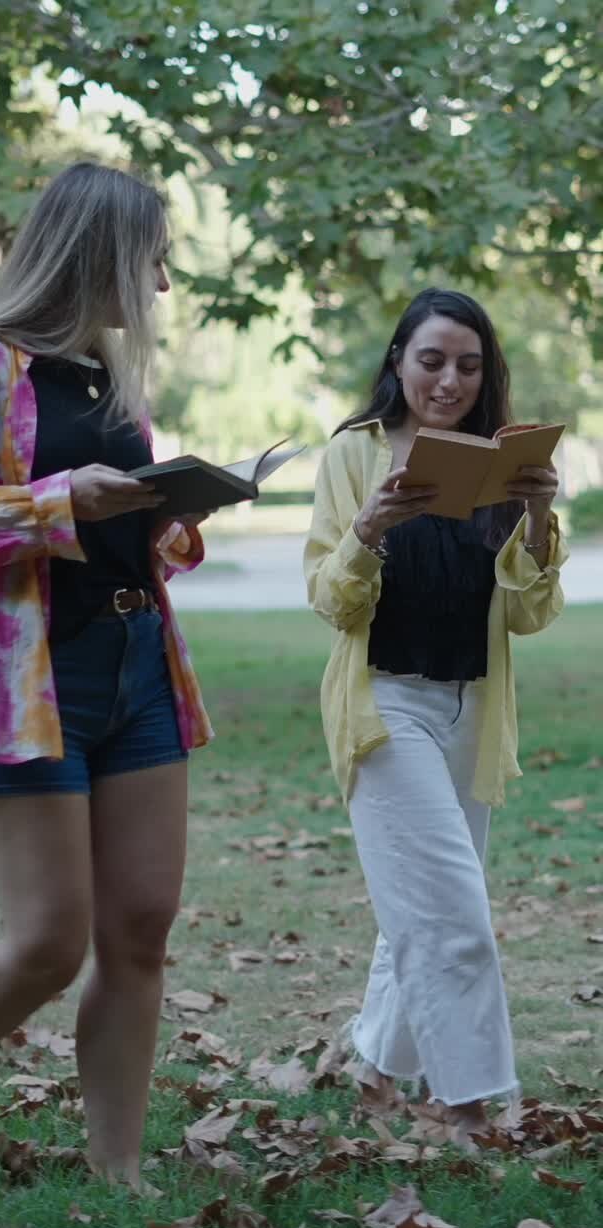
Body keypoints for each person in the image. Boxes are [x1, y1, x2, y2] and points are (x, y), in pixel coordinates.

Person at [0, 161, 214, 1191]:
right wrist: (57, 496)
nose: (160, 287)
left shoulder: (111, 380)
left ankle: (117, 1166)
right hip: (24, 685)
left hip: (137, 666)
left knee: (139, 930)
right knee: (48, 939)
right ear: (99, 254)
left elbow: (115, 532)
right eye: (152, 261)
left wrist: (171, 518)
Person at [304, 287, 567, 1140]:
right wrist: (370, 527)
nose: (448, 380)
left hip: (472, 711)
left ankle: (377, 1071)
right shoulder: (353, 455)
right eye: (430, 360)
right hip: (383, 704)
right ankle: (467, 1104)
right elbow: (329, 600)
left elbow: (529, 615)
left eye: (467, 364)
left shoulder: (499, 460)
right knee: (450, 908)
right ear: (397, 361)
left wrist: (535, 512)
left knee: (420, 905)